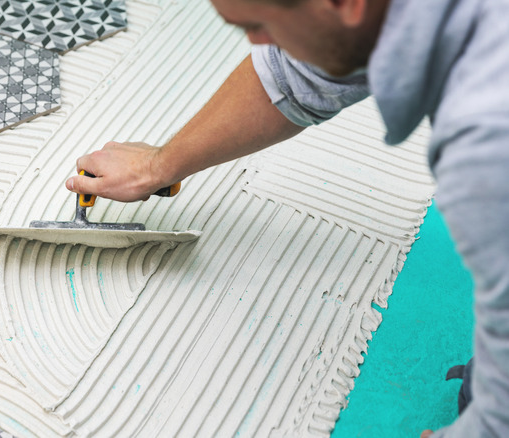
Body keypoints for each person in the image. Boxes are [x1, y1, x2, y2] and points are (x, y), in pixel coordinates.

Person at [64, 0, 509, 436]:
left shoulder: (486, 149)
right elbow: (294, 75)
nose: (260, 44)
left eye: (261, 24)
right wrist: (159, 164)